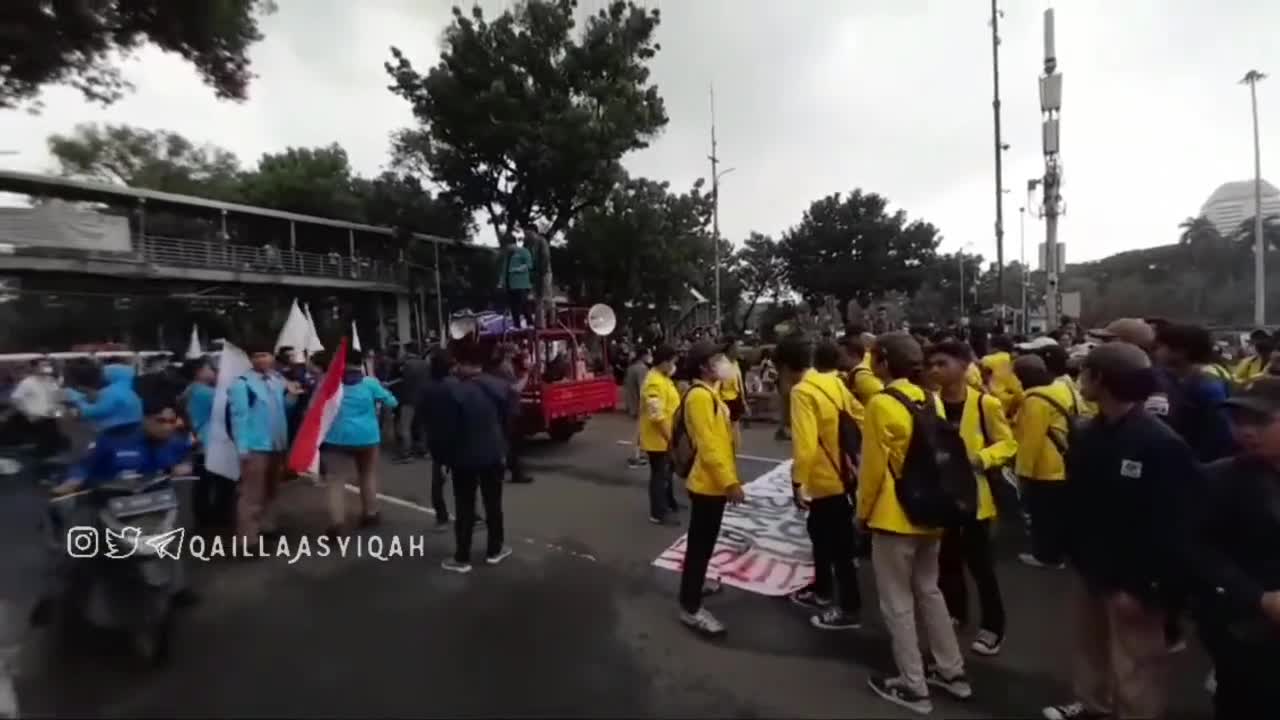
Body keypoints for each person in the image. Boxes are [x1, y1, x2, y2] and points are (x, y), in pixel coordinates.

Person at [1042, 342, 1199, 720]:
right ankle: (1092, 708)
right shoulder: (1087, 432)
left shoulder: (1160, 443)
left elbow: (1173, 525)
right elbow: (1077, 500)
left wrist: (1144, 585)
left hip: (1134, 582)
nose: (1080, 380)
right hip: (1091, 568)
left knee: (1136, 670)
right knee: (1090, 652)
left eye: (1085, 373)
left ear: (1101, 379)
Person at [858, 332, 971, 715]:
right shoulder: (931, 398)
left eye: (874, 357)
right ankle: (951, 671)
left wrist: (861, 514)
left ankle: (913, 684)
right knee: (930, 591)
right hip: (932, 512)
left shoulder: (881, 403)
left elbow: (873, 470)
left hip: (894, 515)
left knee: (898, 603)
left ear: (885, 362)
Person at [1194, 378, 1280, 718]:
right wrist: (1258, 597)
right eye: (1239, 421)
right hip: (1245, 632)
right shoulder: (1218, 480)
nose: (1246, 431)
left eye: (1260, 421)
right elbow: (1198, 551)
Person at [928, 341, 1016, 656]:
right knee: (947, 559)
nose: (936, 370)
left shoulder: (985, 405)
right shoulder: (930, 403)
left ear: (965, 366)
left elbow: (1008, 444)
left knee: (981, 565)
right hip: (942, 495)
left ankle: (993, 626)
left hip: (976, 497)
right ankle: (956, 612)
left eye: (943, 363)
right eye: (932, 364)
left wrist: (982, 458)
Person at [786, 338, 865, 630]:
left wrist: (798, 483)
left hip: (823, 479)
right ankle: (821, 590)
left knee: (838, 546)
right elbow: (860, 415)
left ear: (785, 367)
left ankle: (849, 607)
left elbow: (805, 445)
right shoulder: (836, 383)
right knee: (820, 534)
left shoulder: (803, 392)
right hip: (843, 474)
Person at [677, 341, 744, 636]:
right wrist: (729, 482)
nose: (724, 363)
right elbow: (709, 445)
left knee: (703, 544)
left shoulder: (709, 393)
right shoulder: (699, 398)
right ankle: (690, 608)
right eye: (718, 359)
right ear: (704, 366)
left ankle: (696, 587)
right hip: (708, 485)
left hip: (711, 482)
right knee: (700, 546)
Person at [434, 341, 513, 573]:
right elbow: (508, 420)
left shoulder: (454, 392)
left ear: (464, 363)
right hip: (493, 453)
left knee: (465, 506)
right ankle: (495, 549)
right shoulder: (500, 387)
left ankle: (462, 557)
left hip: (463, 457)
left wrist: (443, 460)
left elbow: (447, 430)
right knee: (493, 503)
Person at [228, 336, 301, 548]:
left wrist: (293, 396)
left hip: (277, 444)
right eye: (257, 356)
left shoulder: (277, 380)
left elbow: (283, 409)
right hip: (255, 447)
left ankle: (267, 526)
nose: (262, 360)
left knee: (272, 489)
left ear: (272, 357)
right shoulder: (241, 384)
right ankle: (247, 540)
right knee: (252, 494)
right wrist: (243, 449)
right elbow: (238, 418)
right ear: (250, 360)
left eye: (265, 355)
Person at [320, 347, 398, 535]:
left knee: (336, 481)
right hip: (367, 437)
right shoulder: (370, 383)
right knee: (367, 474)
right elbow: (392, 402)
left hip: (337, 438)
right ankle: (371, 512)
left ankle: (337, 523)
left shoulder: (329, 383)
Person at [1012, 353, 1075, 570]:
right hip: (1065, 460)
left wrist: (1022, 472)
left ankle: (1047, 556)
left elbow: (1031, 440)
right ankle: (1060, 551)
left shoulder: (1034, 400)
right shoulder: (1062, 389)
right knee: (1058, 512)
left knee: (1043, 513)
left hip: (1045, 466)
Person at [1152, 323, 1235, 463]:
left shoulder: (1207, 386)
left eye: (1160, 347)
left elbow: (1218, 435)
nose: (1156, 353)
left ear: (1181, 351)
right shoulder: (1183, 378)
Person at [639, 345, 681, 525]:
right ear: (663, 362)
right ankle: (658, 513)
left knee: (667, 473)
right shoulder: (654, 382)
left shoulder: (664, 378)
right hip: (659, 438)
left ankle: (669, 503)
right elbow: (657, 415)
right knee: (659, 475)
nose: (673, 365)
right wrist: (669, 438)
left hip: (666, 435)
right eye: (671, 362)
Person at [417, 348, 457, 529]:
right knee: (463, 478)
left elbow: (421, 414)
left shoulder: (427, 388)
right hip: (456, 436)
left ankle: (441, 516)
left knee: (438, 480)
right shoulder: (456, 385)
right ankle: (471, 514)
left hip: (436, 438)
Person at [64, 359, 142, 434]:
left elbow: (78, 414)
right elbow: (127, 371)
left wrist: (74, 398)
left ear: (80, 387)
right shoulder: (123, 384)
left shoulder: (105, 400)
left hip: (116, 440)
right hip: (134, 432)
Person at [8, 360, 63, 456]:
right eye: (43, 365)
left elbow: (57, 397)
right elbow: (15, 399)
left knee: (53, 446)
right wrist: (28, 414)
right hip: (34, 419)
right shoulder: (27, 383)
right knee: (41, 446)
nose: (47, 367)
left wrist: (58, 409)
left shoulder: (51, 381)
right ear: (34, 368)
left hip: (50, 418)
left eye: (48, 365)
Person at [497, 236, 534, 329]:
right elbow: (504, 269)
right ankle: (516, 325)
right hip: (510, 284)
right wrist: (502, 282)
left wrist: (517, 269)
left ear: (513, 244)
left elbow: (529, 265)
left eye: (508, 246)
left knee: (523, 303)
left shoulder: (523, 252)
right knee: (513, 306)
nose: (507, 248)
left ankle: (530, 323)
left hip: (521, 283)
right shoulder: (508, 255)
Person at [624, 348, 652, 469]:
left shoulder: (631, 367)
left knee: (638, 430)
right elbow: (643, 389)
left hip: (632, 402)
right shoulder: (642, 369)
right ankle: (636, 456)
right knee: (640, 431)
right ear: (643, 356)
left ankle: (638, 454)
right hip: (639, 404)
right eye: (648, 354)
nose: (650, 356)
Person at [522, 224, 553, 329]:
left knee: (545, 297)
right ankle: (539, 324)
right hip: (534, 274)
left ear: (534, 232)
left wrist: (540, 273)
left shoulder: (541, 241)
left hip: (544, 273)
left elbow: (545, 258)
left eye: (527, 233)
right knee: (537, 298)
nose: (525, 235)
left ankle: (552, 320)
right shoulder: (527, 243)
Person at [718, 337, 749, 436]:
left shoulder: (735, 363)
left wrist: (744, 403)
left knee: (735, 431)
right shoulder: (721, 365)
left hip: (736, 400)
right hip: (724, 401)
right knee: (726, 432)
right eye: (737, 347)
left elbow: (739, 383)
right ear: (730, 349)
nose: (740, 349)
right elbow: (716, 386)